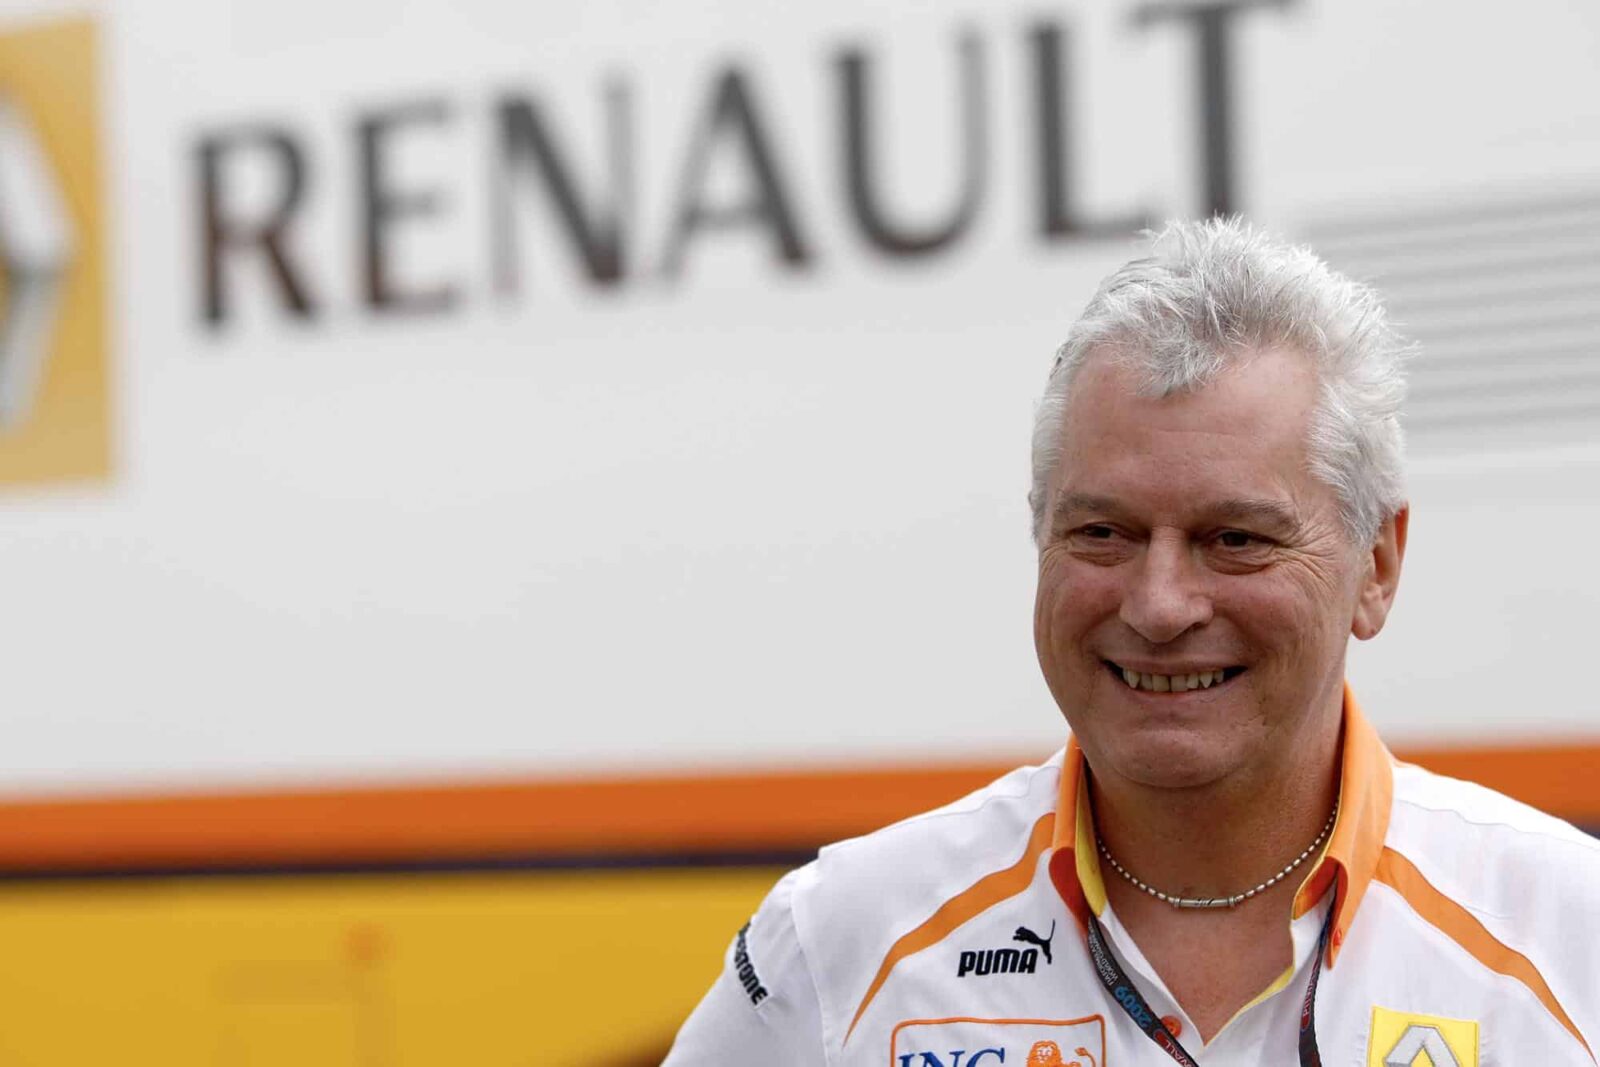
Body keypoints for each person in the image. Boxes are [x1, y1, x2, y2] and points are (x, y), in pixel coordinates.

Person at [663, 218, 1600, 1065]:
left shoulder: (1569, 938)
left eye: (1235, 538)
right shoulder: (841, 945)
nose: (1159, 604)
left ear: (1378, 565)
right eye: (1103, 532)